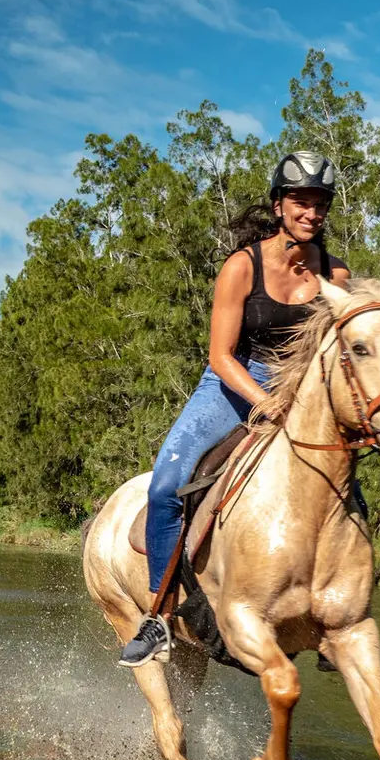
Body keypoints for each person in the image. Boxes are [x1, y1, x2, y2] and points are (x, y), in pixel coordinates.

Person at [118, 151, 350, 667]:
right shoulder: (242, 266)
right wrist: (264, 402)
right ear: (278, 206)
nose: (311, 213)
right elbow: (220, 356)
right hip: (234, 383)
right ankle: (158, 615)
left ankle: (339, 624)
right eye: (300, 202)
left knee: (348, 490)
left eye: (319, 204)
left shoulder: (336, 273)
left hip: (304, 386)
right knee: (165, 485)